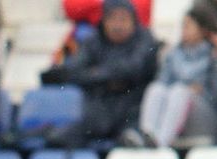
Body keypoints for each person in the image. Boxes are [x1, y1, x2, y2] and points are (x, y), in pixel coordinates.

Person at [40, 0, 158, 147]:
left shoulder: (145, 38)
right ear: (104, 21)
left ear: (133, 21)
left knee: (132, 138)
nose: (118, 25)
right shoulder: (94, 40)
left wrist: (95, 73)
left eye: (123, 19)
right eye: (112, 19)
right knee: (58, 139)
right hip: (99, 108)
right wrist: (107, 76)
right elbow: (73, 72)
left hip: (133, 108)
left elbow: (131, 70)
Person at [135, 3, 217, 148]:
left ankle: (160, 143)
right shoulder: (173, 53)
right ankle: (147, 135)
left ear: (203, 30)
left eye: (188, 26)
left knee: (180, 91)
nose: (183, 30)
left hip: (204, 115)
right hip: (173, 107)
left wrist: (200, 90)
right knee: (156, 89)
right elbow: (163, 81)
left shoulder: (215, 54)